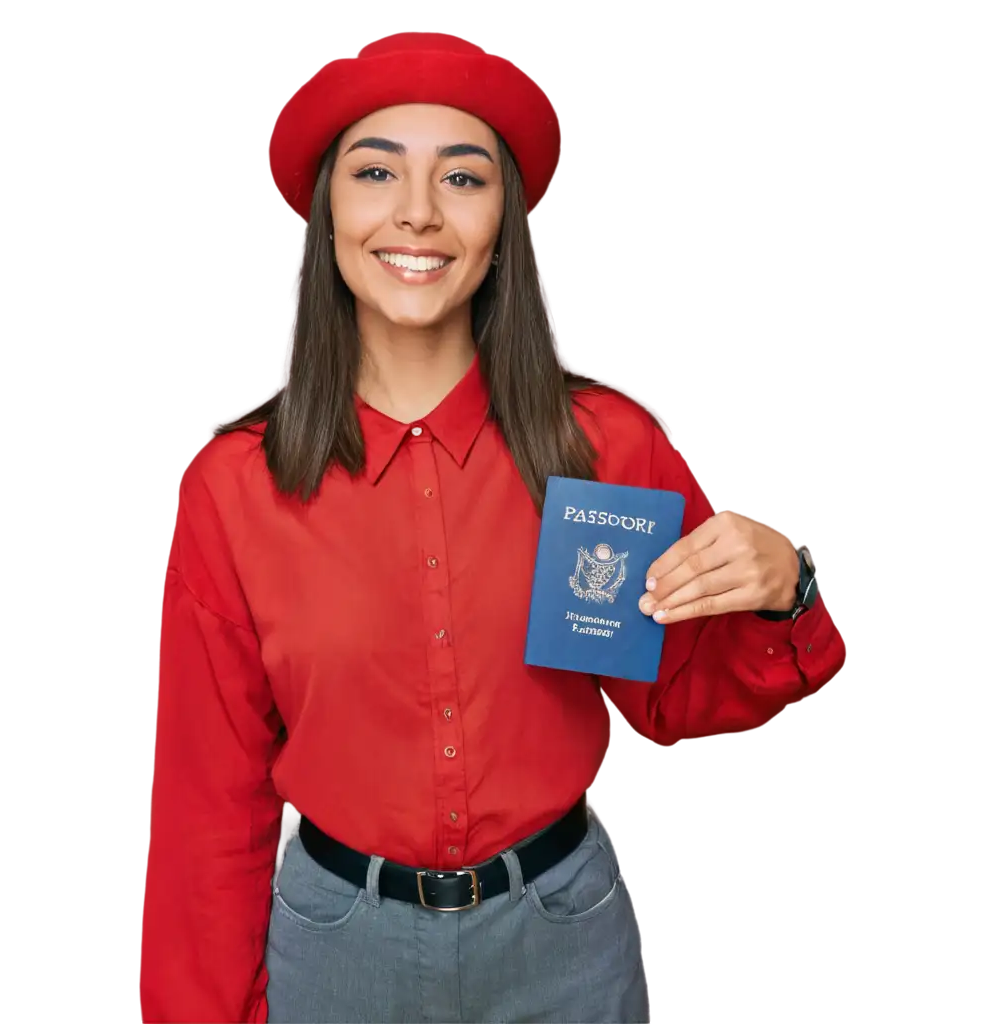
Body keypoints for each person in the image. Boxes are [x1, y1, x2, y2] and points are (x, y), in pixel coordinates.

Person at [136, 28, 845, 1024]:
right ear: (328, 211)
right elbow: (208, 803)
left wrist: (787, 591)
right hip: (333, 946)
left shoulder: (607, 452)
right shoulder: (232, 489)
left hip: (562, 935)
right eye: (376, 170)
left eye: (462, 179)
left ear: (502, 220)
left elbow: (676, 694)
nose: (417, 213)